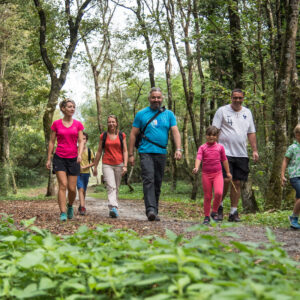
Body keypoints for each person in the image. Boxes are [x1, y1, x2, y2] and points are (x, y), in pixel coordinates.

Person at [128, 87, 182, 221]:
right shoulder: (141, 114)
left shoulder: (169, 114)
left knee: (158, 181)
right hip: (145, 151)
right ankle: (150, 209)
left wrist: (178, 149)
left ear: (162, 98)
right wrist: (130, 154)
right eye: (154, 97)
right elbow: (133, 134)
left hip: (161, 152)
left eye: (158, 97)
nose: (156, 100)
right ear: (149, 98)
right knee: (149, 179)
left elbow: (175, 132)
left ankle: (155, 210)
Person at [212, 88, 259, 222]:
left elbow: (251, 132)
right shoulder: (222, 111)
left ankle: (233, 212)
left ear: (243, 98)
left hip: (241, 153)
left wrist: (255, 150)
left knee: (237, 182)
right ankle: (218, 208)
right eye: (235, 98)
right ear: (231, 98)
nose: (237, 100)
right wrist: (212, 149)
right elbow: (215, 130)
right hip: (224, 152)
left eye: (240, 98)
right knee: (225, 180)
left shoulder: (247, 112)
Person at [46, 98, 84, 221]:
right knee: (63, 184)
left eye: (73, 106)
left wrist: (79, 154)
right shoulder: (56, 124)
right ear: (63, 108)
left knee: (72, 189)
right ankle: (62, 212)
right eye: (69, 106)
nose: (72, 108)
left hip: (73, 159)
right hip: (59, 158)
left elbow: (81, 140)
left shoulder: (78, 124)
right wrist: (48, 158)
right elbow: (52, 142)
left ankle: (70, 206)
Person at [192, 126, 232, 225]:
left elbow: (224, 160)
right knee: (208, 196)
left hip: (218, 174)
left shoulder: (220, 147)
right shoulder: (202, 147)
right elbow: (199, 157)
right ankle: (206, 217)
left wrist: (228, 172)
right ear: (206, 136)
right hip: (206, 174)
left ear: (217, 136)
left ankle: (214, 212)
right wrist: (196, 167)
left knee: (219, 193)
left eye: (214, 135)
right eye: (209, 135)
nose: (211, 137)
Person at [93, 115, 128, 218]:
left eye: (113, 122)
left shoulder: (122, 135)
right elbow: (99, 151)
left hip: (119, 163)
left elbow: (125, 150)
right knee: (111, 186)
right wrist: (95, 167)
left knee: (116, 187)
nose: (111, 124)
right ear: (107, 123)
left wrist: (125, 165)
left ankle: (114, 209)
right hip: (107, 163)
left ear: (116, 123)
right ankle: (113, 206)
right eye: (109, 122)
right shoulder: (103, 136)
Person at [281, 124, 300, 230]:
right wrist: (282, 175)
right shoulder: (292, 147)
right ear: (297, 135)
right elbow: (285, 161)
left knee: (298, 198)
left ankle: (294, 219)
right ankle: (294, 217)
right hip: (295, 175)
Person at [77, 132, 95, 216]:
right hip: (77, 173)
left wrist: (85, 167)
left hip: (86, 173)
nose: (82, 140)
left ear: (86, 140)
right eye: (81, 139)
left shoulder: (89, 150)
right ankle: (83, 207)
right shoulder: (75, 149)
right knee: (80, 189)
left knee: (83, 190)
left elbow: (93, 162)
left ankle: (81, 205)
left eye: (84, 139)